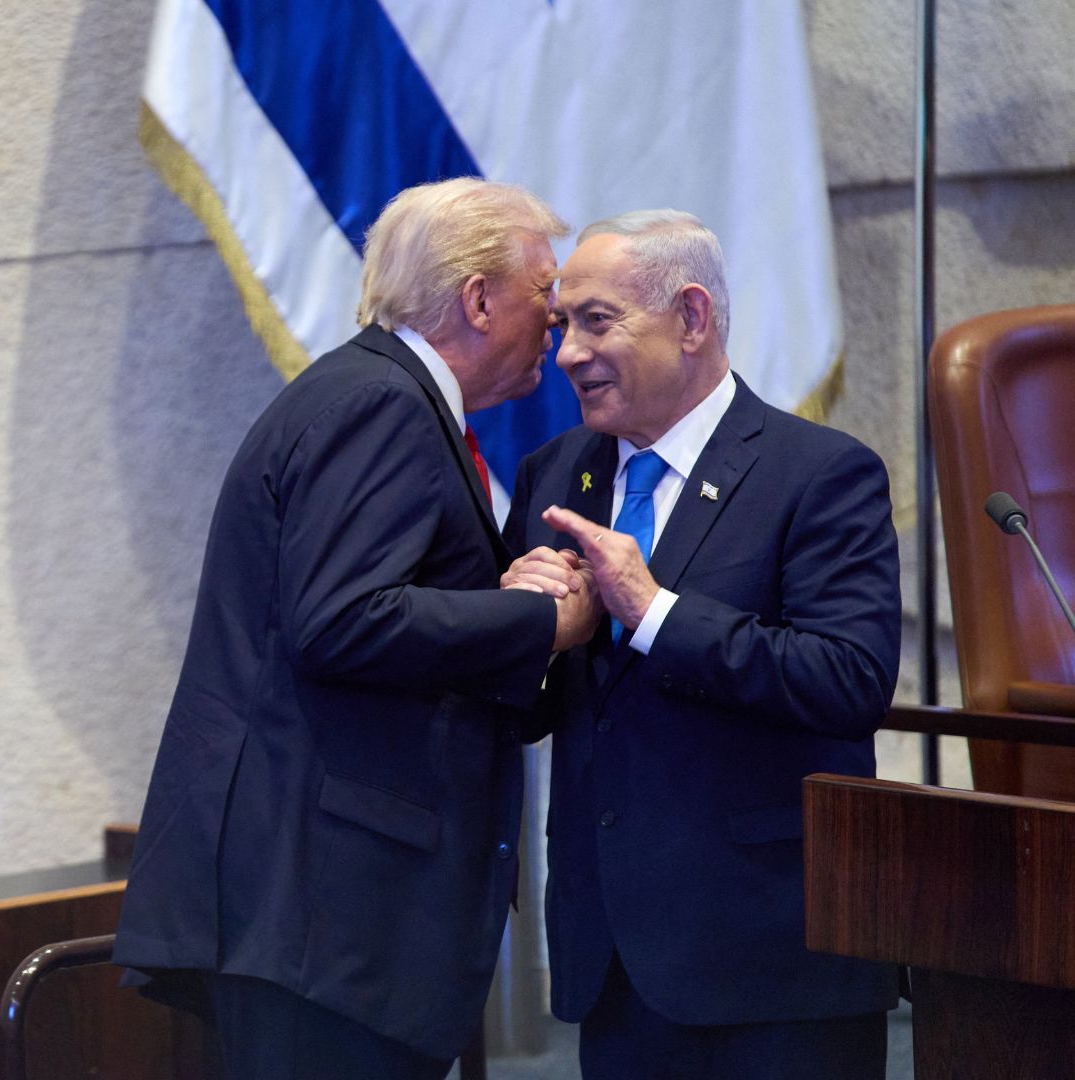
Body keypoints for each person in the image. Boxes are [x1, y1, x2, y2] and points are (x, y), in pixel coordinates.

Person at [112, 178, 600, 1079]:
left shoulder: (375, 393)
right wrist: (536, 617)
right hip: (320, 917)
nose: (558, 319)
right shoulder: (383, 404)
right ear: (478, 300)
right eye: (544, 292)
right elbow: (340, 620)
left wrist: (497, 602)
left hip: (321, 917)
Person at [501, 210, 900, 1079]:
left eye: (597, 321)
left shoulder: (819, 474)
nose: (567, 352)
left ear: (690, 317)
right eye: (564, 324)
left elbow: (849, 681)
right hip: (613, 962)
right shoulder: (554, 475)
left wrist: (654, 612)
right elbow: (526, 710)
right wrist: (523, 634)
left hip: (774, 965)